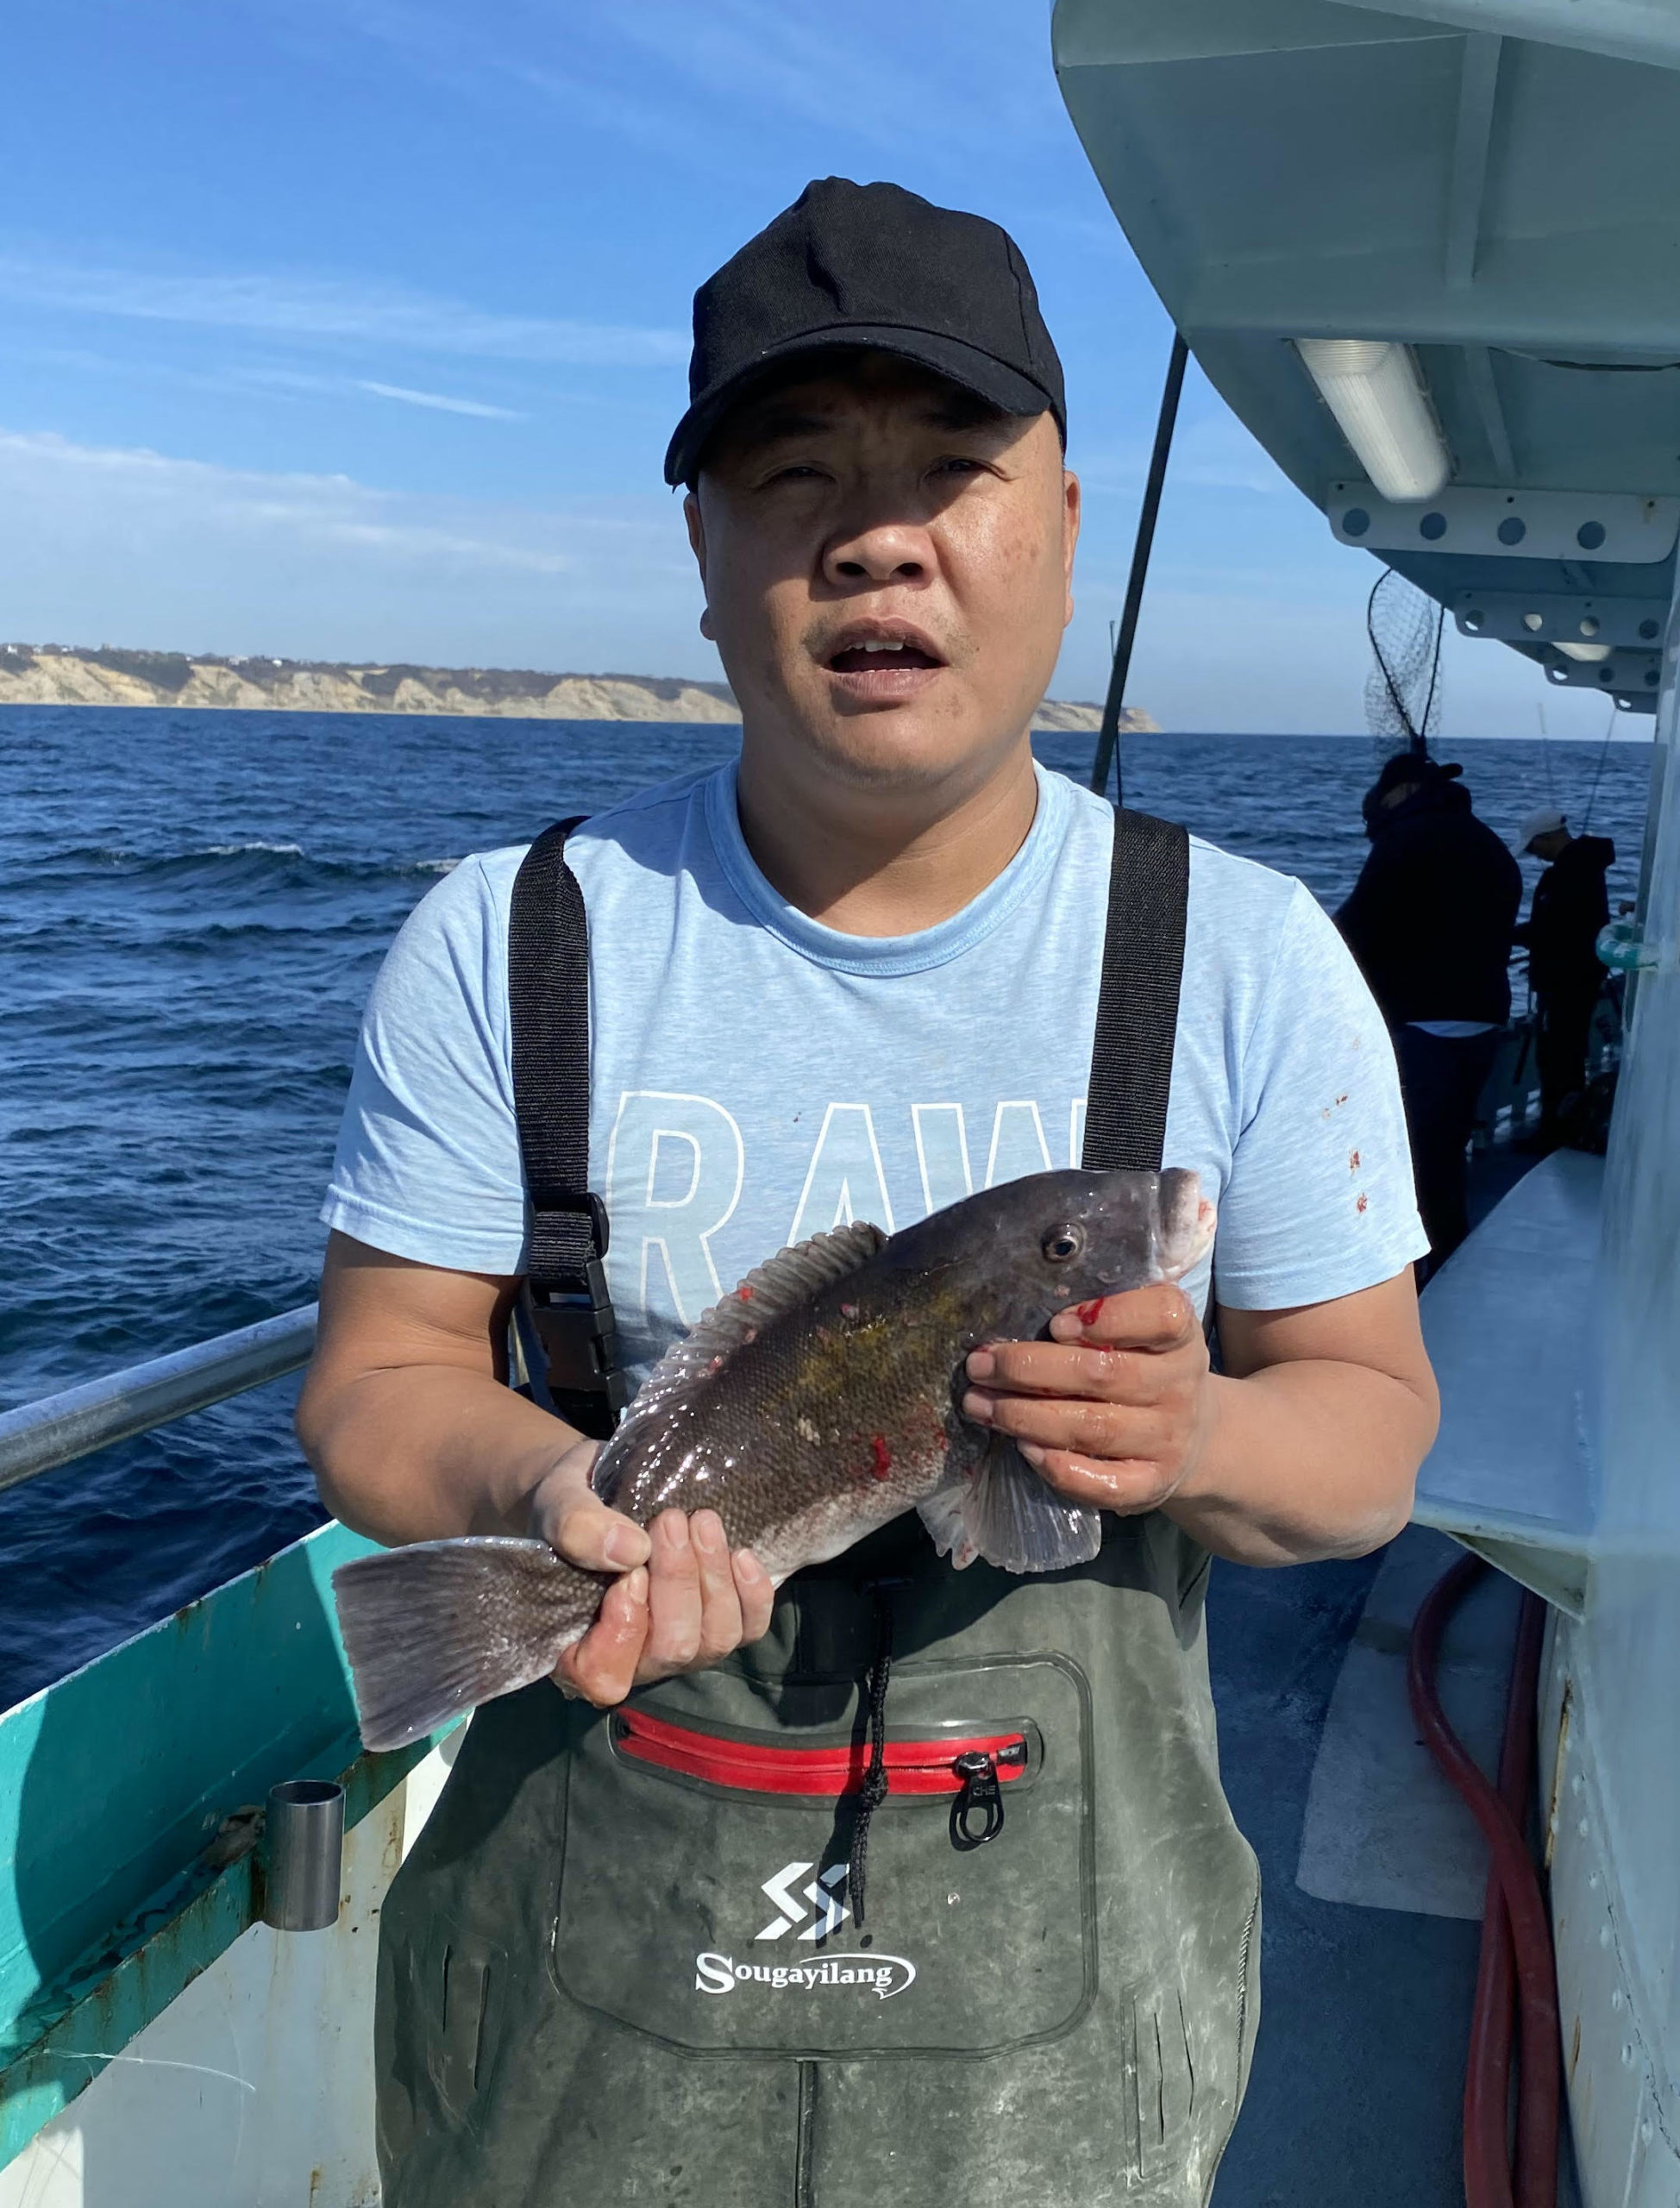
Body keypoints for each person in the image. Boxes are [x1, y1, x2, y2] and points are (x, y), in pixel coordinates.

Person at [297, 178, 1437, 2208]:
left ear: (1066, 528)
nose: (878, 528)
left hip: (1064, 2041)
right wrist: (545, 1498)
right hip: (579, 2003)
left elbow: (1364, 1444)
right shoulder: (510, 934)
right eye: (796, 470)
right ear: (708, 556)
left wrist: (1197, 1430)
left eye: (952, 466)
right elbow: (382, 1379)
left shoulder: (1249, 957)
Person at [1336, 750, 1521, 1272]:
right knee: (1448, 1150)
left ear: (1400, 793)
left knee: (1410, 1158)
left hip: (1422, 1025)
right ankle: (1451, 1260)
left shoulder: (1406, 841)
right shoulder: (1487, 843)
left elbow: (1356, 928)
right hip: (1483, 1019)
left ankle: (1416, 1275)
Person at [1513, 806, 1615, 1146]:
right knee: (1565, 1055)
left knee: (1558, 1058)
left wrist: (1507, 935)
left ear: (1549, 837)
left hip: (1567, 984)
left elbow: (1555, 929)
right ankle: (1563, 1124)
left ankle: (1555, 1131)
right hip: (1575, 979)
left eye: (1533, 845)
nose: (1533, 853)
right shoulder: (1582, 868)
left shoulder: (1571, 874)